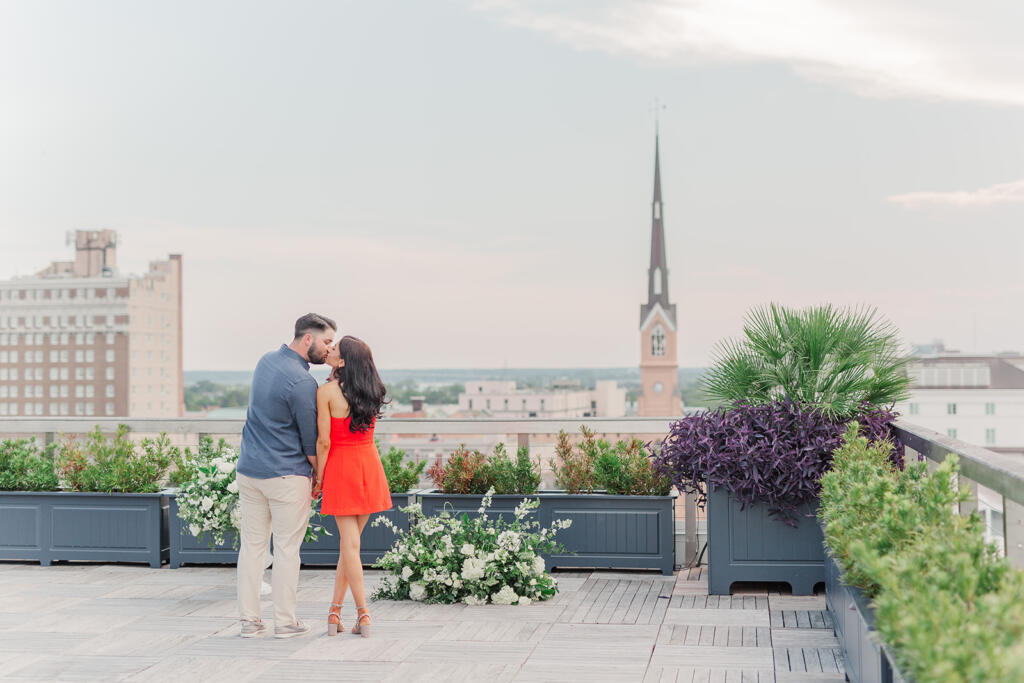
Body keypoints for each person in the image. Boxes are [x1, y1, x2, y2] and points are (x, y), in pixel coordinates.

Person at [236, 313, 337, 639]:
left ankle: (249, 622)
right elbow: (312, 445)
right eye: (326, 342)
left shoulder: (265, 362)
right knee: (286, 550)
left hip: (250, 471)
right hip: (286, 477)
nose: (328, 349)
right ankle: (285, 623)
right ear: (307, 339)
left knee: (252, 548)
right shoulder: (303, 382)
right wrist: (321, 479)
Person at [313, 335, 391, 638]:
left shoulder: (326, 392)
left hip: (341, 467)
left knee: (350, 548)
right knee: (350, 548)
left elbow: (323, 442)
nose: (329, 351)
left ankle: (363, 614)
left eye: (334, 350)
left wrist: (319, 479)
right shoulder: (372, 390)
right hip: (369, 465)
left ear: (343, 361)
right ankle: (334, 613)